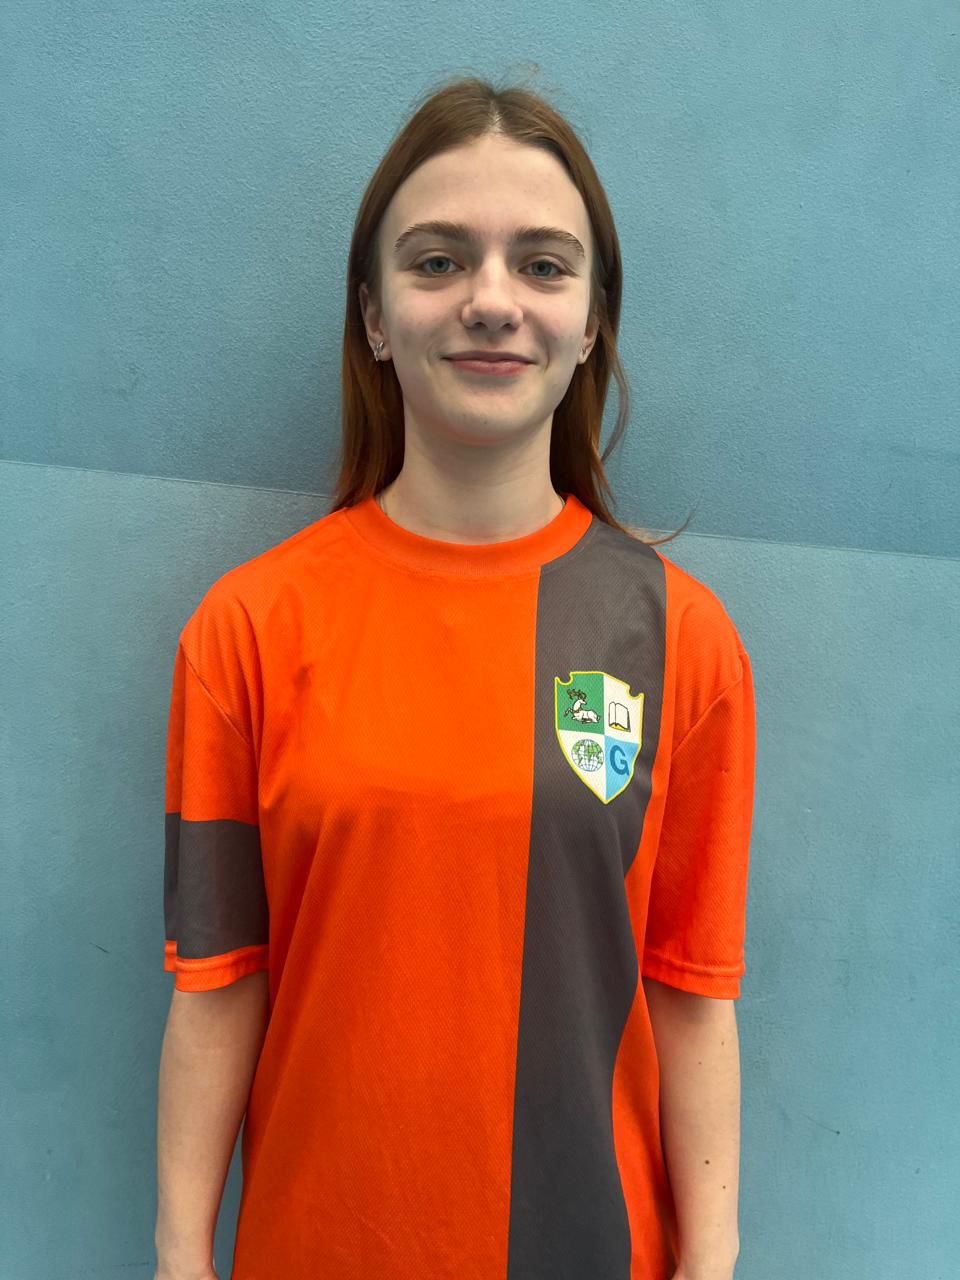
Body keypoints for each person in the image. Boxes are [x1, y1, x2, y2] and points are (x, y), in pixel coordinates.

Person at [155, 74, 756, 1280]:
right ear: (375, 316)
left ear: (591, 320)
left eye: (542, 264)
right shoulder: (247, 629)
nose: (491, 299)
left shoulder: (683, 639)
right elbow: (218, 982)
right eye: (438, 261)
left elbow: (693, 991)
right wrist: (178, 1256)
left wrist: (714, 1258)